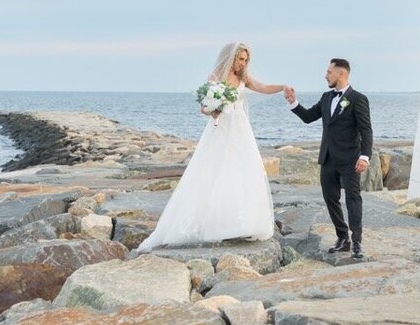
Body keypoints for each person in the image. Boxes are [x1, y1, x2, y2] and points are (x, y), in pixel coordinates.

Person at [137, 42, 287, 252]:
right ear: (230, 57)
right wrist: (213, 110)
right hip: (221, 130)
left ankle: (241, 223)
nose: (243, 63)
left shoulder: (244, 78)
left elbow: (262, 87)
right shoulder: (216, 77)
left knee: (242, 172)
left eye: (245, 59)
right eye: (240, 59)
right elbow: (204, 108)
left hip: (240, 129)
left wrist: (282, 87)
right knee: (215, 171)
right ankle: (214, 225)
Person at [285, 58, 373, 260]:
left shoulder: (358, 99)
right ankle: (343, 238)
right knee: (330, 199)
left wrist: (364, 156)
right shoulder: (326, 97)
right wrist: (293, 103)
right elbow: (308, 117)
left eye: (329, 72)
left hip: (350, 159)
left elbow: (366, 130)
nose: (326, 75)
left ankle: (357, 242)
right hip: (328, 158)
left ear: (341, 74)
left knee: (353, 200)